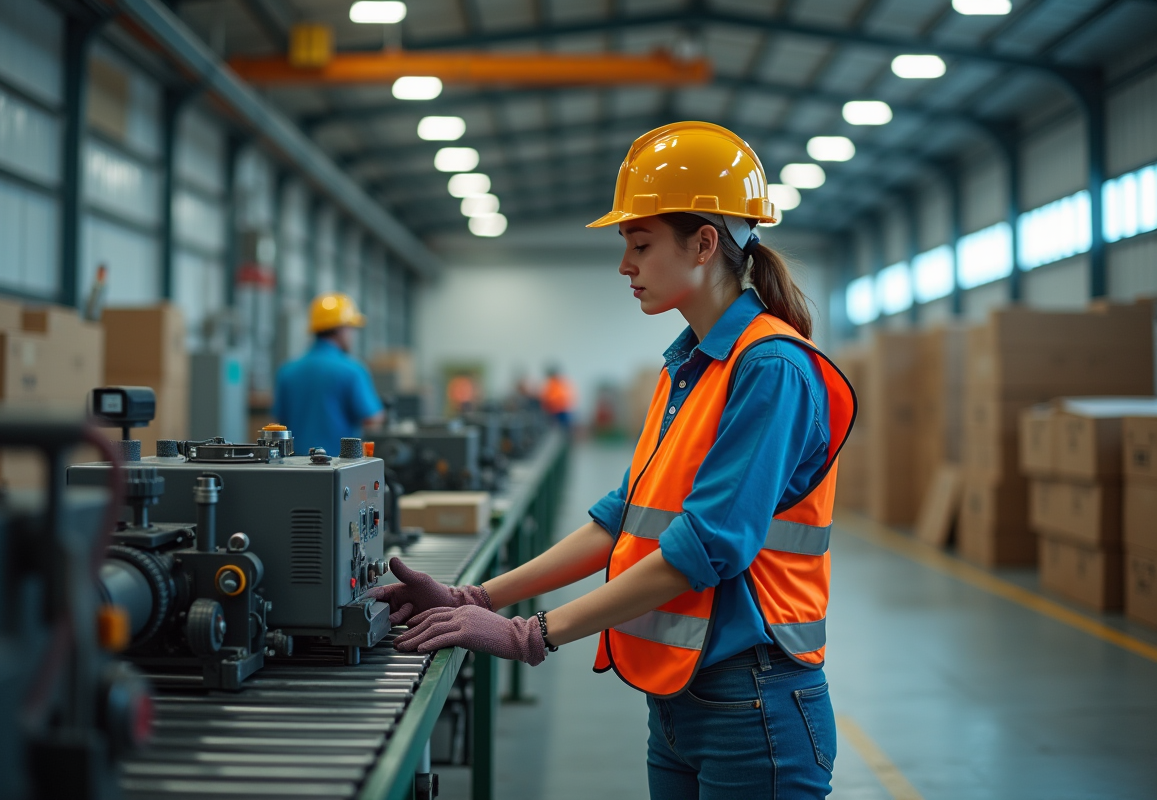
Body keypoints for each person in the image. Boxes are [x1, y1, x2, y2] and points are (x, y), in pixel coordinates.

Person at [372, 122, 856, 799]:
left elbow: (704, 549)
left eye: (641, 244)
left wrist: (530, 634)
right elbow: (619, 519)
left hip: (755, 705)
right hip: (681, 702)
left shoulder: (770, 368)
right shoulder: (688, 365)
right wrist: (474, 598)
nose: (625, 265)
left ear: (704, 243)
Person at [273, 293, 384, 453]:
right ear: (340, 329)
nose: (352, 335)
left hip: (295, 465)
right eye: (351, 328)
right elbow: (372, 419)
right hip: (339, 465)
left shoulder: (287, 372)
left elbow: (278, 423)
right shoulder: (352, 371)